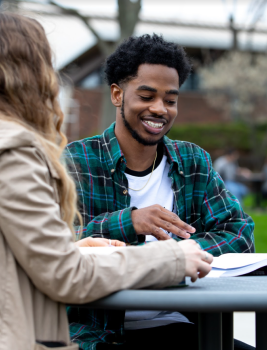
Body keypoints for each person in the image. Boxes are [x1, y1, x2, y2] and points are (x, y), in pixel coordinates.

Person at [0, 13, 214, 350]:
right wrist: (169, 259)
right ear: (29, 74)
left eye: (170, 100)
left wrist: (73, 249)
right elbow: (64, 276)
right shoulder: (12, 155)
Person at [64, 35, 255, 349]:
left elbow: (239, 234)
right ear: (116, 94)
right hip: (97, 333)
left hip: (180, 323)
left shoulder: (193, 161)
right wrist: (130, 222)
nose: (160, 109)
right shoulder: (76, 162)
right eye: (147, 95)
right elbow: (52, 247)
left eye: (170, 99)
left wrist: (175, 257)